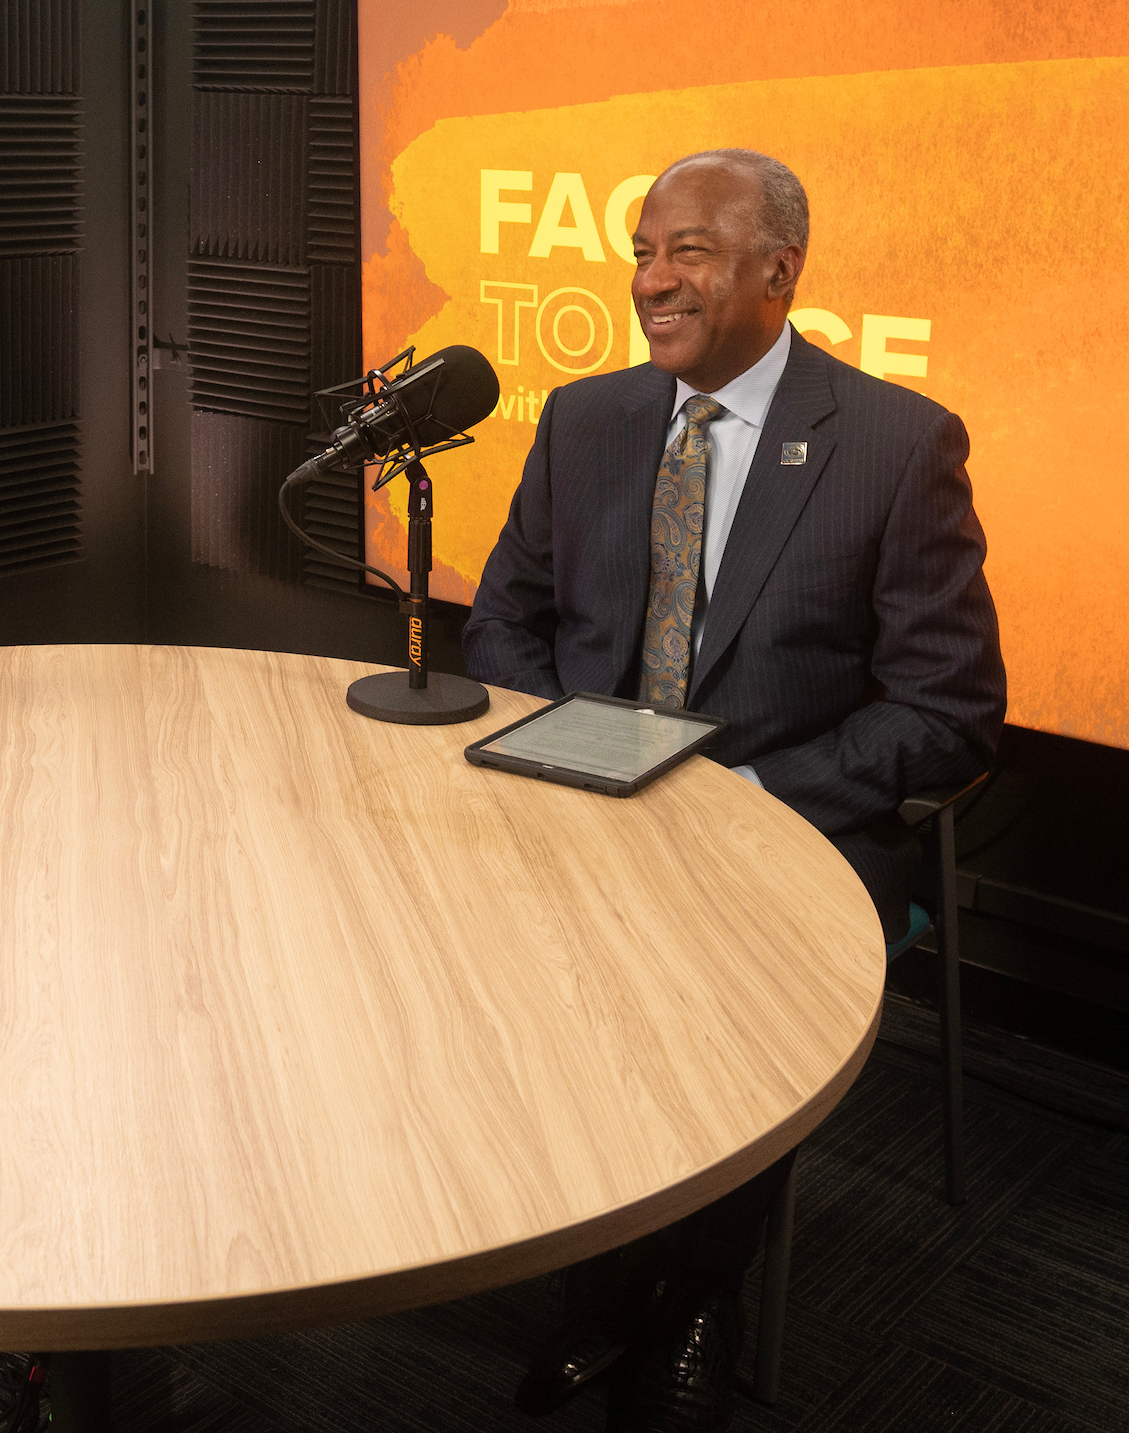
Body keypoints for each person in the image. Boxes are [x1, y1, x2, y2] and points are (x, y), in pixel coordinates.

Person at [464, 149, 1005, 1430]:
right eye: (643, 251)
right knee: (487, 950)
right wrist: (568, 749)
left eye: (688, 251)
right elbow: (504, 624)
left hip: (793, 821)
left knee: (719, 1003)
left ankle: (698, 1293)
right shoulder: (585, 421)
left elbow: (949, 712)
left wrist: (745, 791)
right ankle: (595, 1284)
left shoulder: (894, 443)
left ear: (780, 269)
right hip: (585, 802)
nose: (653, 279)